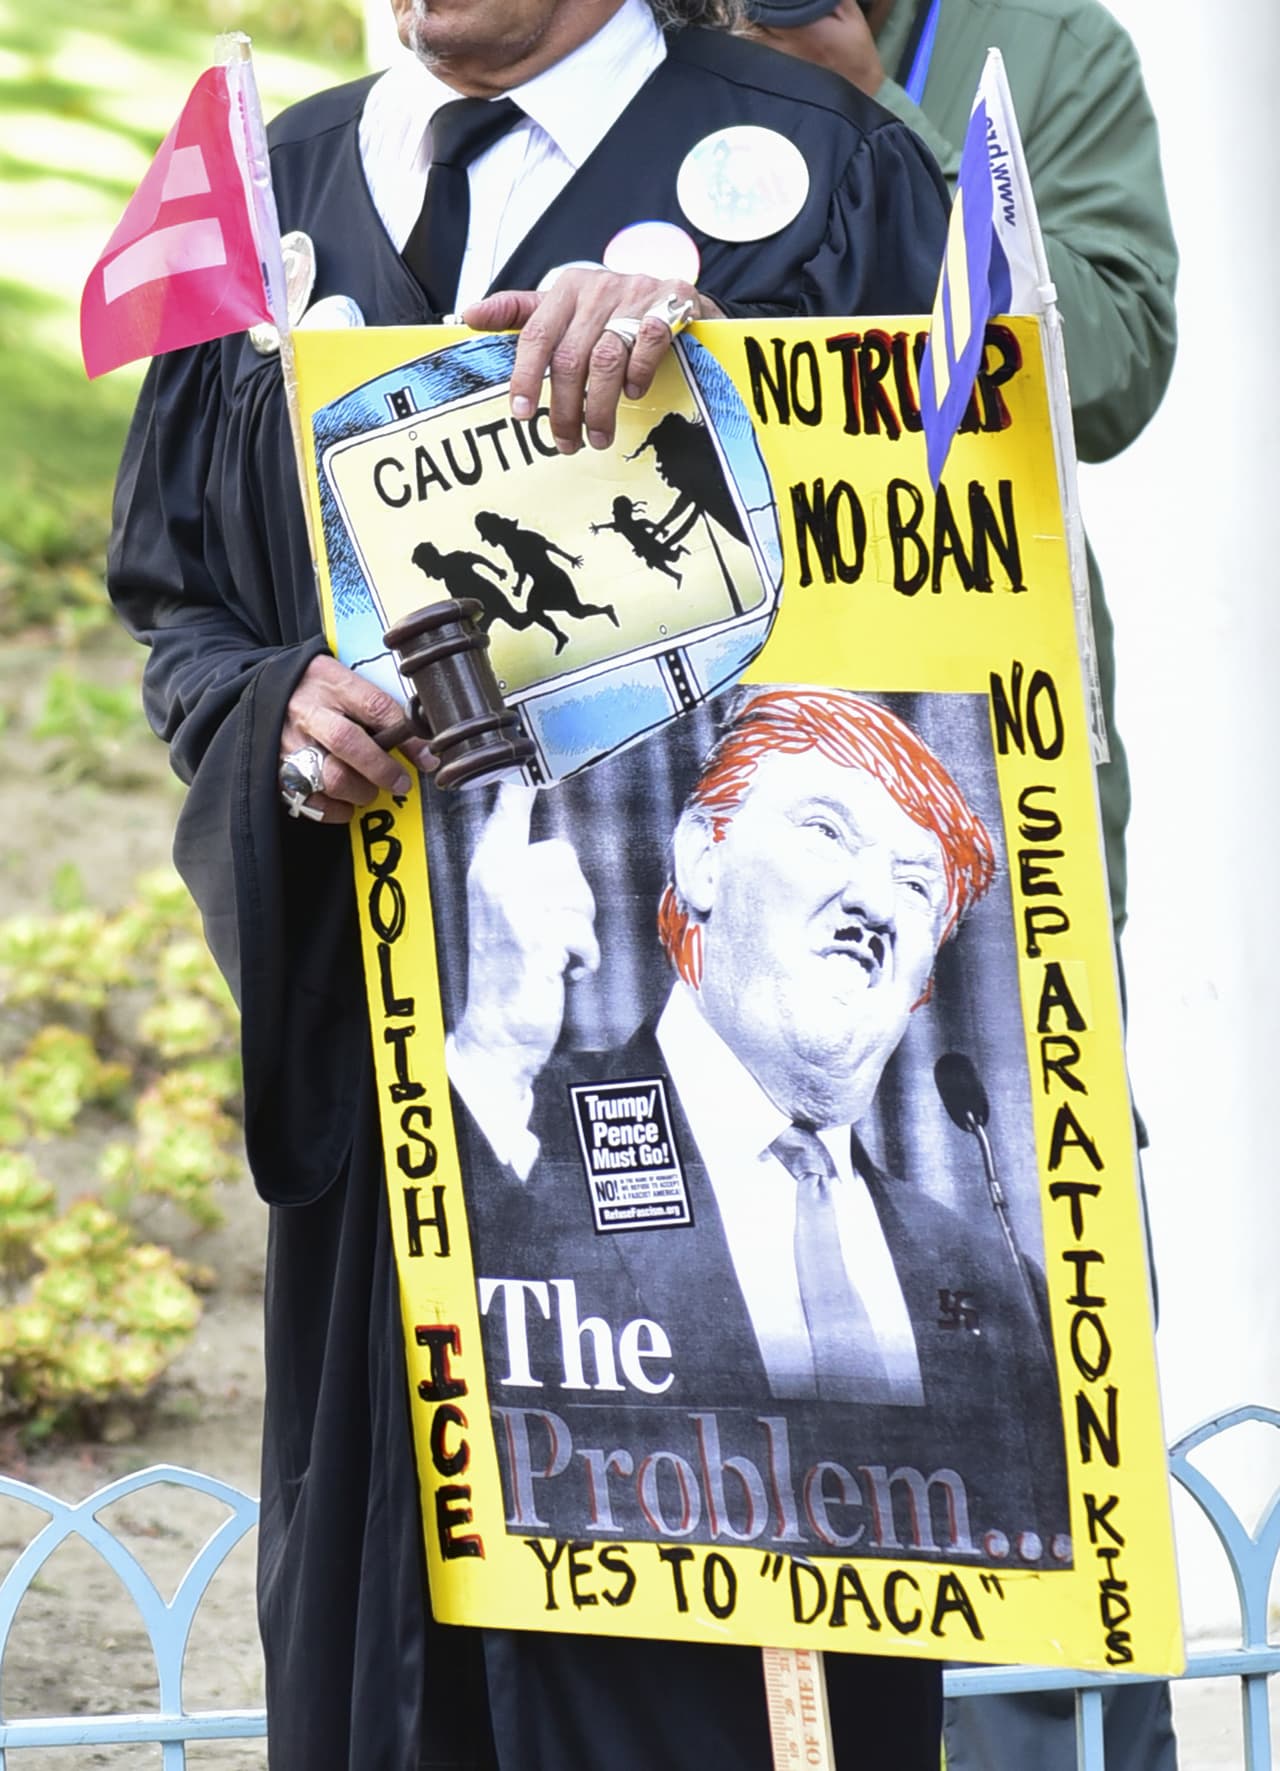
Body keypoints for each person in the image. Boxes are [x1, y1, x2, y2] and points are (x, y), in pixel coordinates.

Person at [105, 1, 957, 1766]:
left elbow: (963, 579)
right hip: (397, 1197)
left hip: (704, 1298)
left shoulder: (823, 176)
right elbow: (183, 608)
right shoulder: (274, 202)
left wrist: (749, 398)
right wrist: (281, 722)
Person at [740, 3, 1179, 1765]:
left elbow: (1117, 362)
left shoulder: (1042, 43)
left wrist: (879, 133)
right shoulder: (624, 36)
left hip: (980, 818)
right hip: (720, 795)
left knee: (1025, 1353)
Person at [451, 687, 1068, 1556]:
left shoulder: (999, 1284)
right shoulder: (517, 1123)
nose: (876, 905)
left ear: (928, 975)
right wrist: (491, 1051)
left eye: (917, 882)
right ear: (703, 856)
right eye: (828, 833)